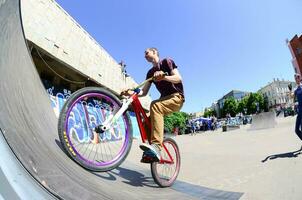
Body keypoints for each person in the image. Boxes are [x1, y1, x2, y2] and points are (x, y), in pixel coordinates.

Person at [121, 47, 185, 162]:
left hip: (176, 97)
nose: (145, 55)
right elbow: (144, 92)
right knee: (146, 121)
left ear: (154, 52)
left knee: (155, 105)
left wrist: (164, 76)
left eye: (146, 53)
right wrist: (130, 92)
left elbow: (178, 78)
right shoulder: (150, 73)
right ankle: (150, 153)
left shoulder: (166, 62)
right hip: (164, 100)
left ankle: (156, 146)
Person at [289, 73, 302, 142]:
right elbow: (291, 96)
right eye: (295, 78)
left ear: (300, 78)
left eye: (297, 77)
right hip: (300, 112)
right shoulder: (296, 89)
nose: (296, 79)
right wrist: (290, 90)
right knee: (296, 130)